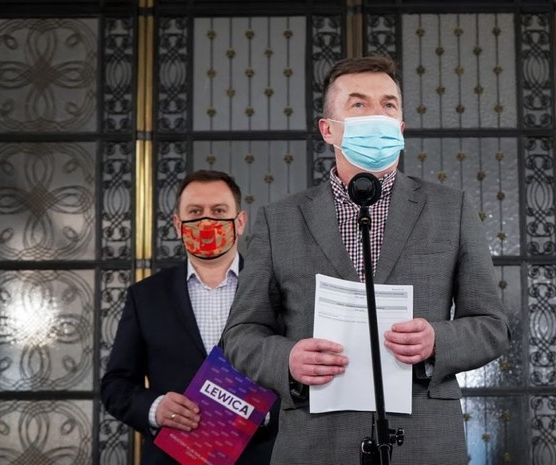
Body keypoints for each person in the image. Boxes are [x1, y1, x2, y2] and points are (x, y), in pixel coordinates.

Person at [221, 56, 510, 464]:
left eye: (388, 105)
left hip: (425, 444)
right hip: (314, 446)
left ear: (401, 127)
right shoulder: (279, 220)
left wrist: (437, 341)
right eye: (358, 104)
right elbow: (241, 333)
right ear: (328, 129)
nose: (377, 115)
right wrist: (287, 360)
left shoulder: (452, 210)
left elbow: (493, 326)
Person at [101, 170, 278, 465]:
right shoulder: (145, 296)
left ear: (240, 222)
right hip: (172, 457)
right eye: (195, 212)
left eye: (218, 211)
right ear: (177, 224)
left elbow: (300, 377)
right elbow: (115, 385)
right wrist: (155, 408)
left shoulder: (275, 291)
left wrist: (265, 411)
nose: (206, 221)